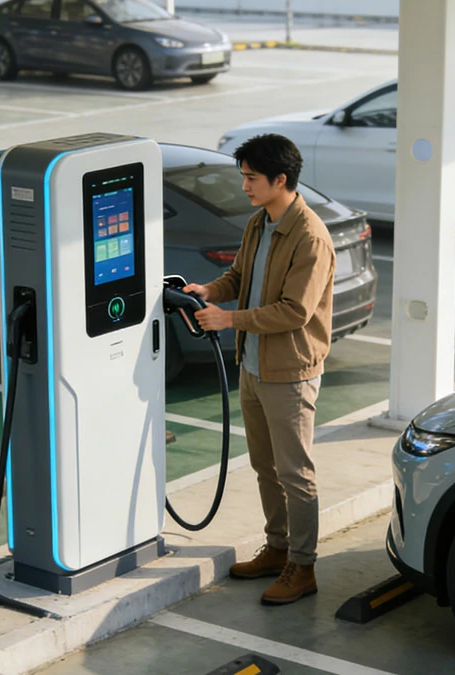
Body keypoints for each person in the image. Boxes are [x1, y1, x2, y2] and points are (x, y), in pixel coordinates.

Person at [185, 133, 335, 606]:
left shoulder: (310, 236)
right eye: (244, 176)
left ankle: (303, 566)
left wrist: (228, 320)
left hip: (290, 371)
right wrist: (210, 290)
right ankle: (277, 549)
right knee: (264, 467)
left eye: (251, 178)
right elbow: (241, 279)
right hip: (253, 364)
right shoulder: (259, 223)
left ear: (280, 180)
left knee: (296, 473)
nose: (245, 185)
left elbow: (295, 311)